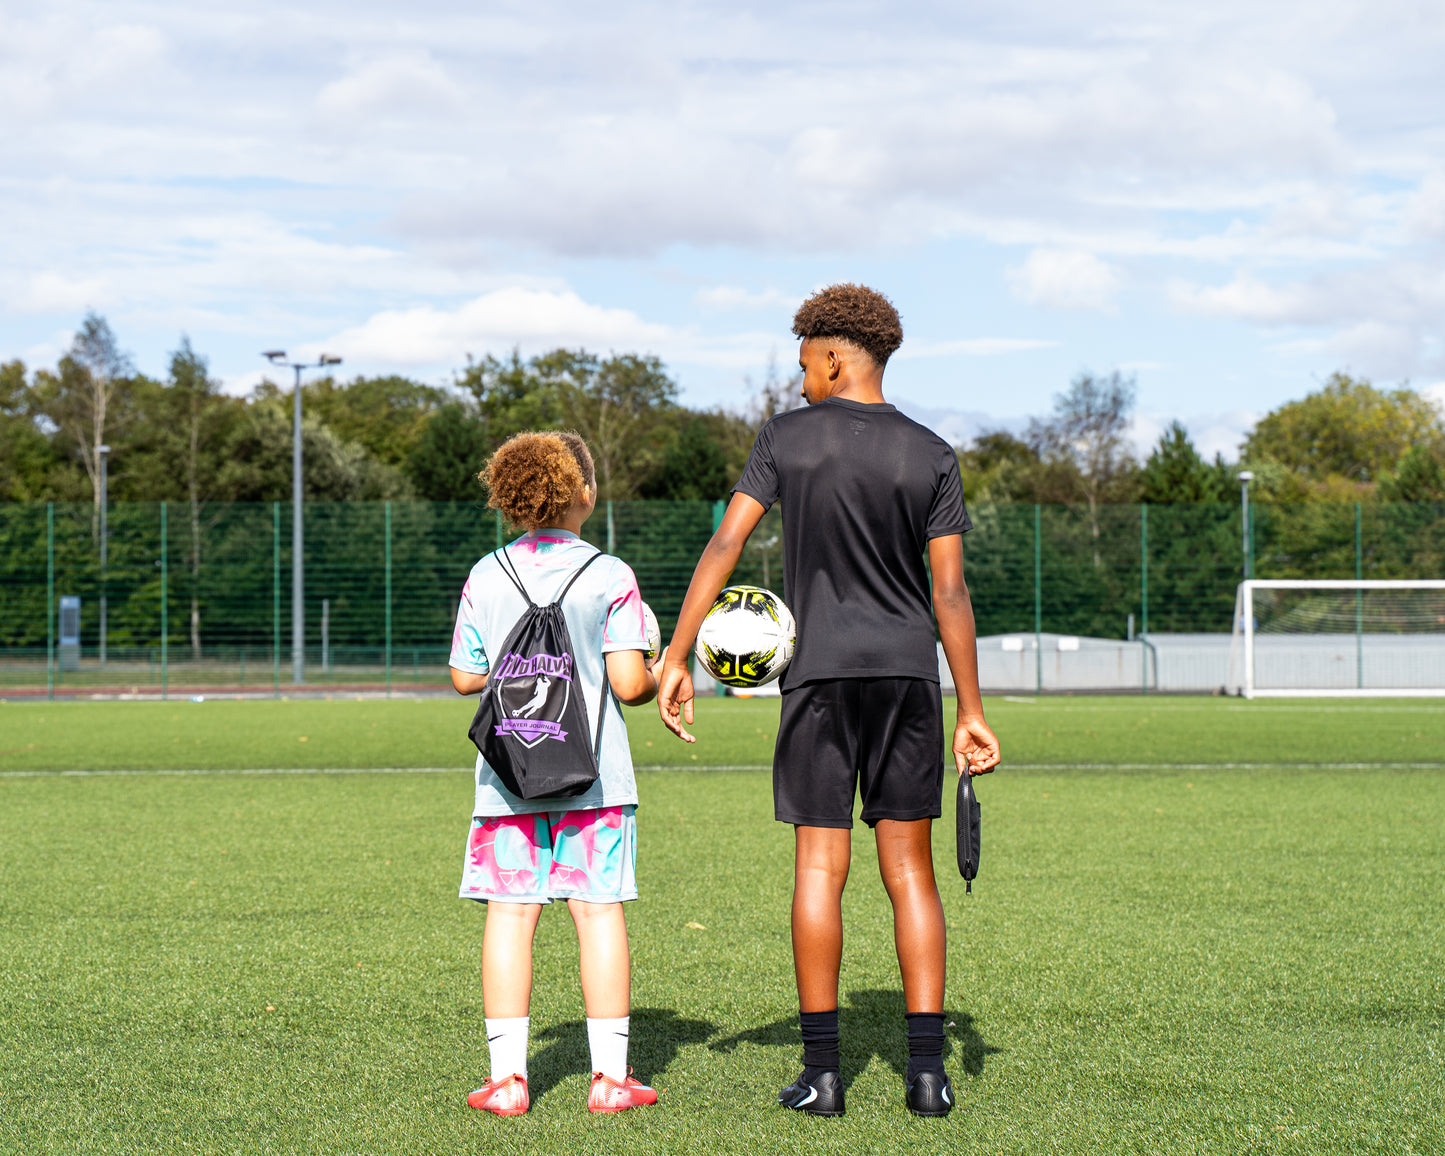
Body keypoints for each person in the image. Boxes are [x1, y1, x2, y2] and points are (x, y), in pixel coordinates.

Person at [656, 283, 1001, 1117]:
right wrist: (972, 708)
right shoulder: (932, 452)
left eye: (804, 359)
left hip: (816, 679)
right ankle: (926, 1077)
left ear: (835, 355)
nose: (799, 376)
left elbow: (728, 539)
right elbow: (948, 594)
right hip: (908, 677)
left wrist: (676, 652)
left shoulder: (785, 439)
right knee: (910, 874)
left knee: (820, 867)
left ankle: (822, 1076)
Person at [449, 430, 662, 1117]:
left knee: (509, 916)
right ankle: (610, 1081)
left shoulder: (485, 574)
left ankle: (507, 1081)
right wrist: (658, 670)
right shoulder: (609, 574)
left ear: (509, 499)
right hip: (594, 781)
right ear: (584, 493)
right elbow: (629, 685)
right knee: (597, 915)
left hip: (506, 778)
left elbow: (463, 676)